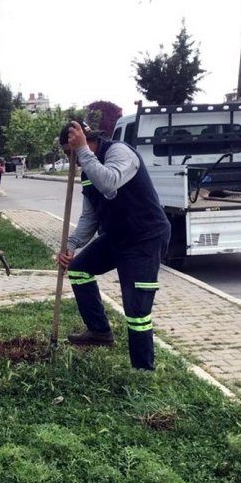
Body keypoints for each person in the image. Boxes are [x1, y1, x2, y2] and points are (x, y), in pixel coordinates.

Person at [56, 121, 172, 370]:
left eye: (70, 152)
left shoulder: (120, 152)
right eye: (68, 154)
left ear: (85, 140)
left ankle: (143, 370)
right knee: (78, 269)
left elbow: (109, 182)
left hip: (145, 237)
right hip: (116, 236)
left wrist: (83, 150)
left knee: (136, 310)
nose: (72, 160)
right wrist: (71, 245)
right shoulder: (88, 170)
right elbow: (91, 216)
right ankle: (99, 331)